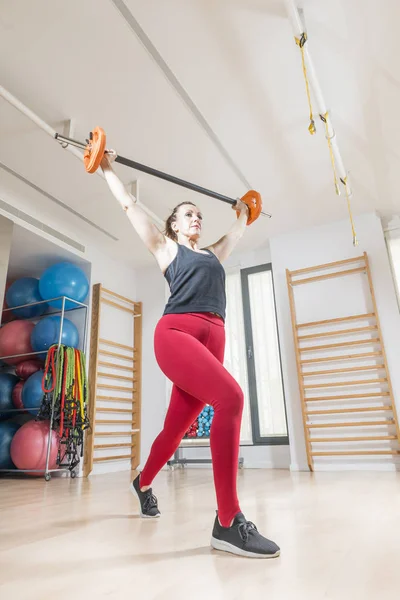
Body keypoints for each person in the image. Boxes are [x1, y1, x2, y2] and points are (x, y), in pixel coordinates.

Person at [100, 151, 280, 559]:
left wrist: (242, 210)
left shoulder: (213, 254)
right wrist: (107, 167)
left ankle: (143, 482)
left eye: (199, 213)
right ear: (174, 225)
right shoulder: (167, 250)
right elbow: (129, 205)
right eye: (187, 214)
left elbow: (240, 227)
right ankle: (228, 521)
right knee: (231, 398)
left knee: (175, 429)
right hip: (177, 334)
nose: (196, 217)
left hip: (213, 340)